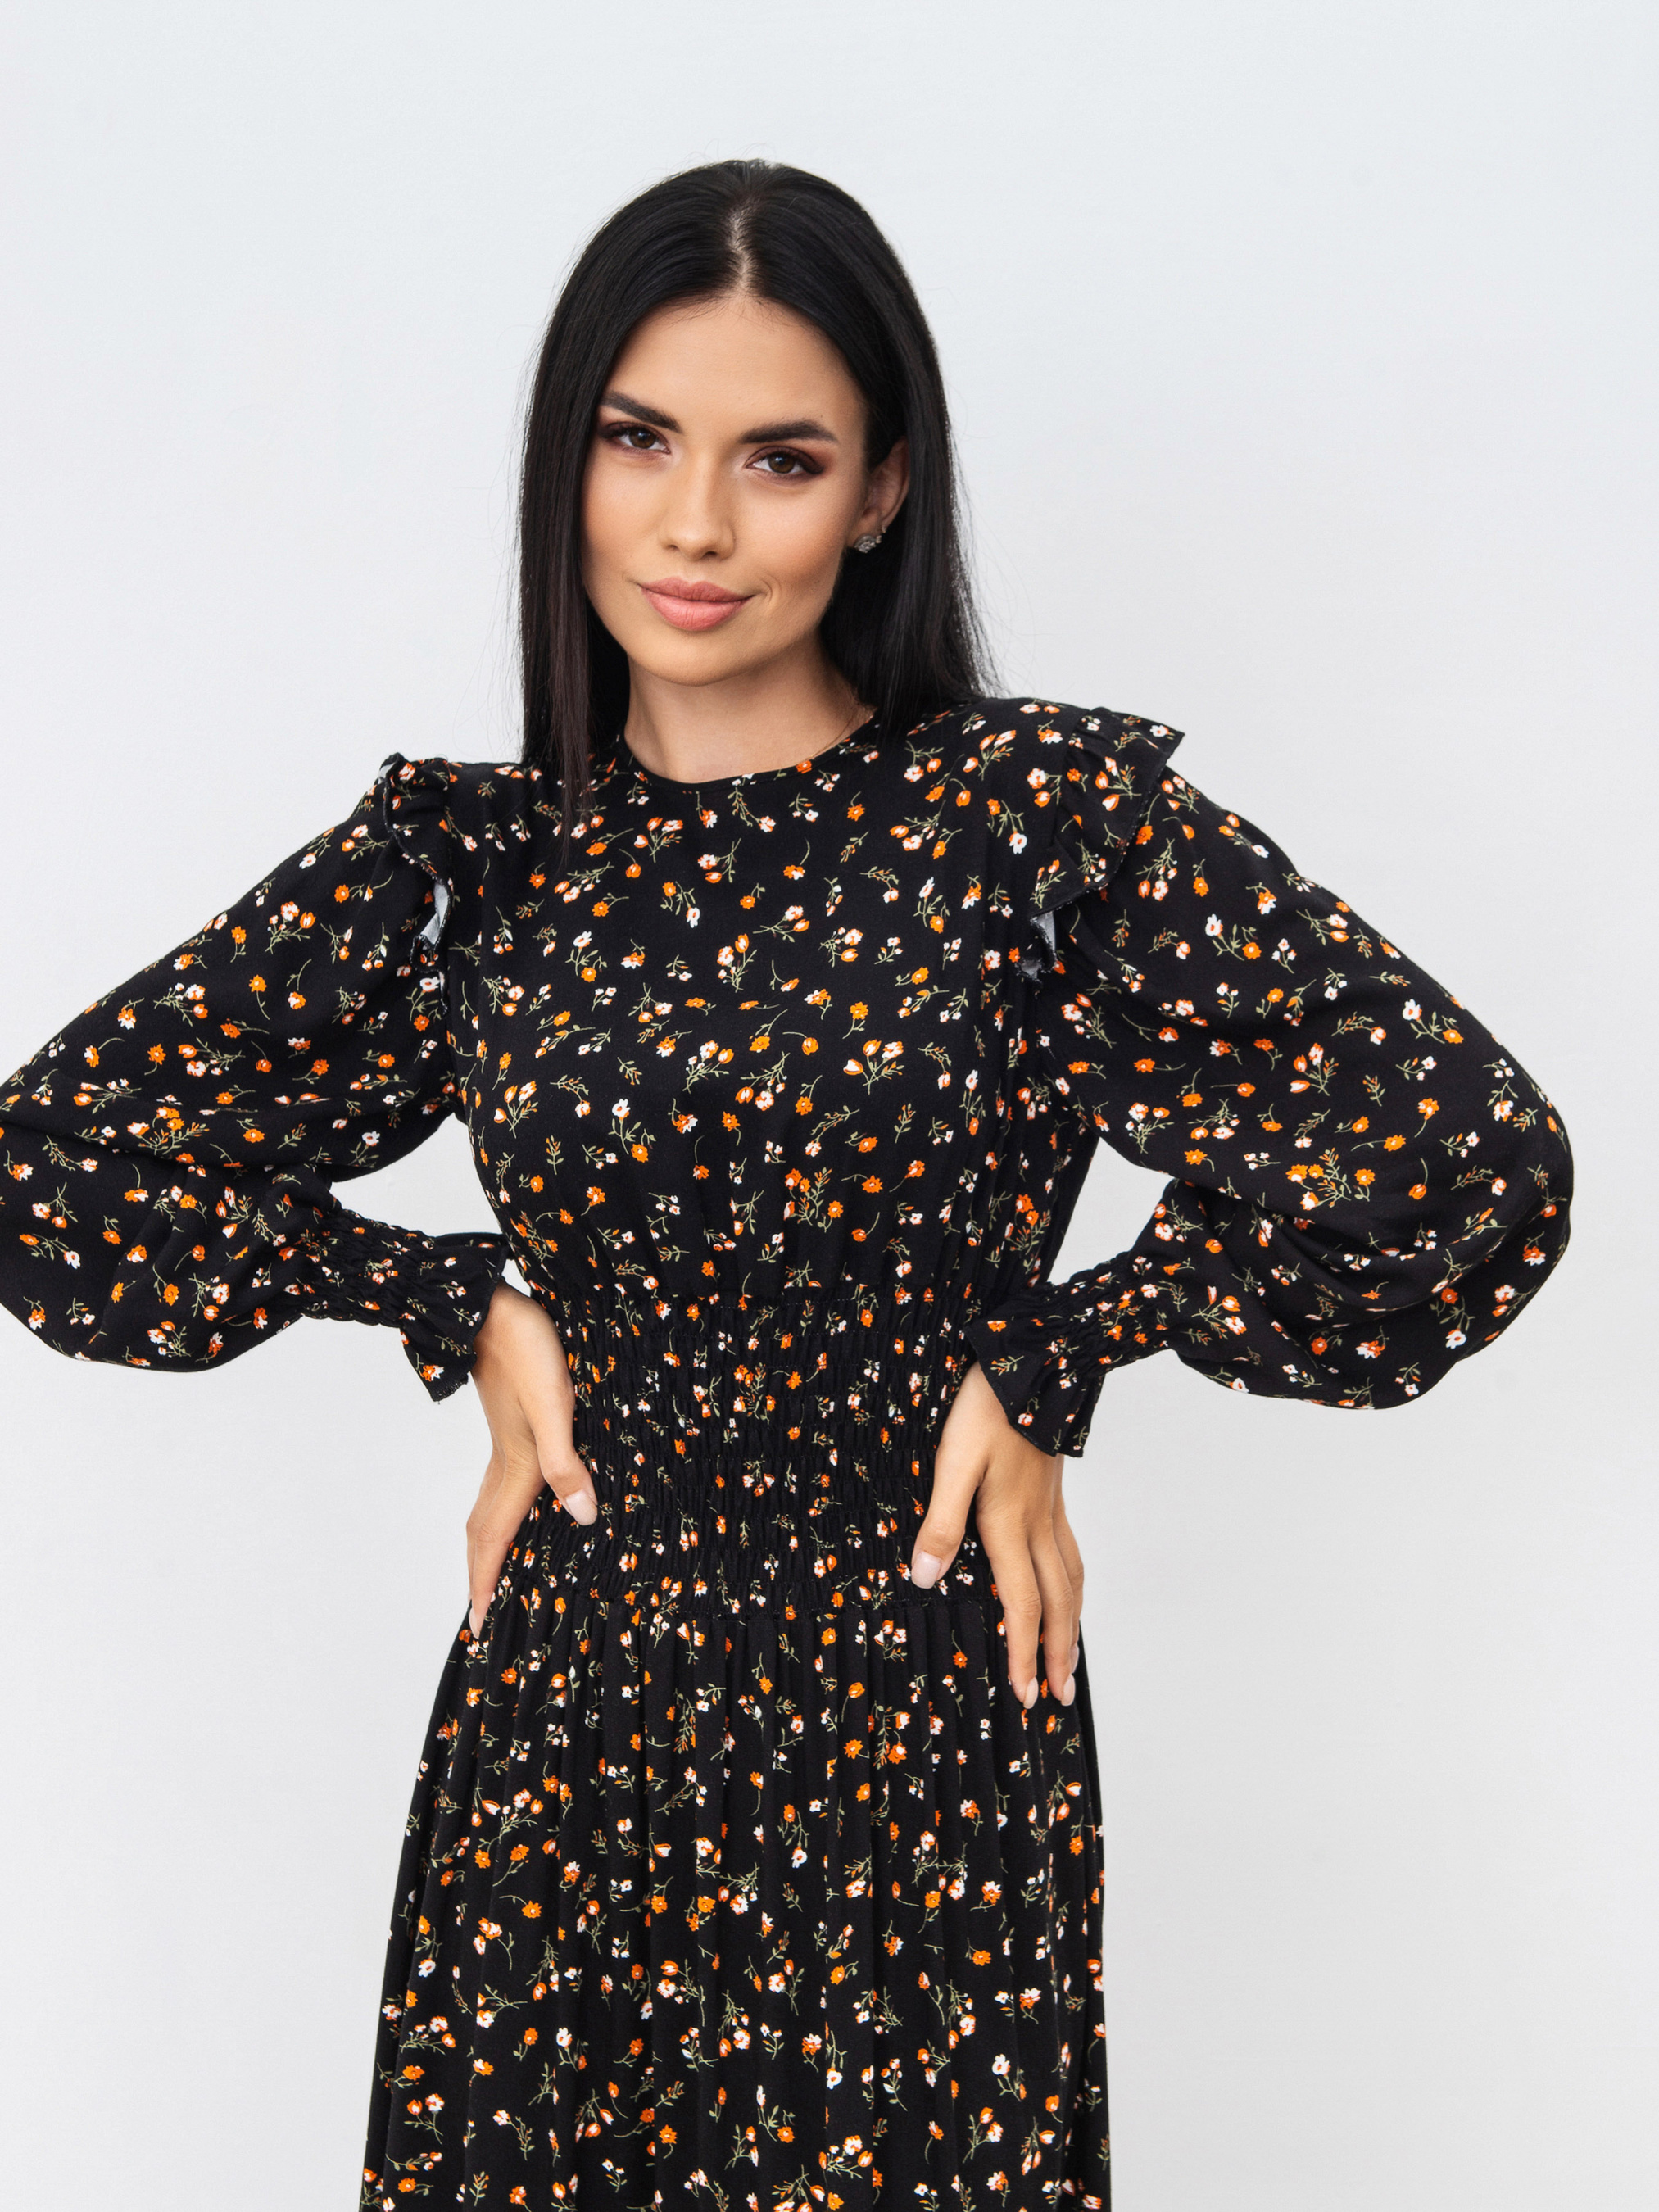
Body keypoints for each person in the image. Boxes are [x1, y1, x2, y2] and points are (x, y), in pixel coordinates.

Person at [0, 161, 1571, 2211]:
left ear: (882, 491)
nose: (695, 525)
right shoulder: (477, 869)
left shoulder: (1032, 829)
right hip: (572, 1743)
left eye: (781, 459)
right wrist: (448, 1299)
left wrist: (1064, 1350)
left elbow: (1458, 1160)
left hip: (920, 1726)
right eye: (637, 439)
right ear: (566, 458)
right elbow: (54, 1164)